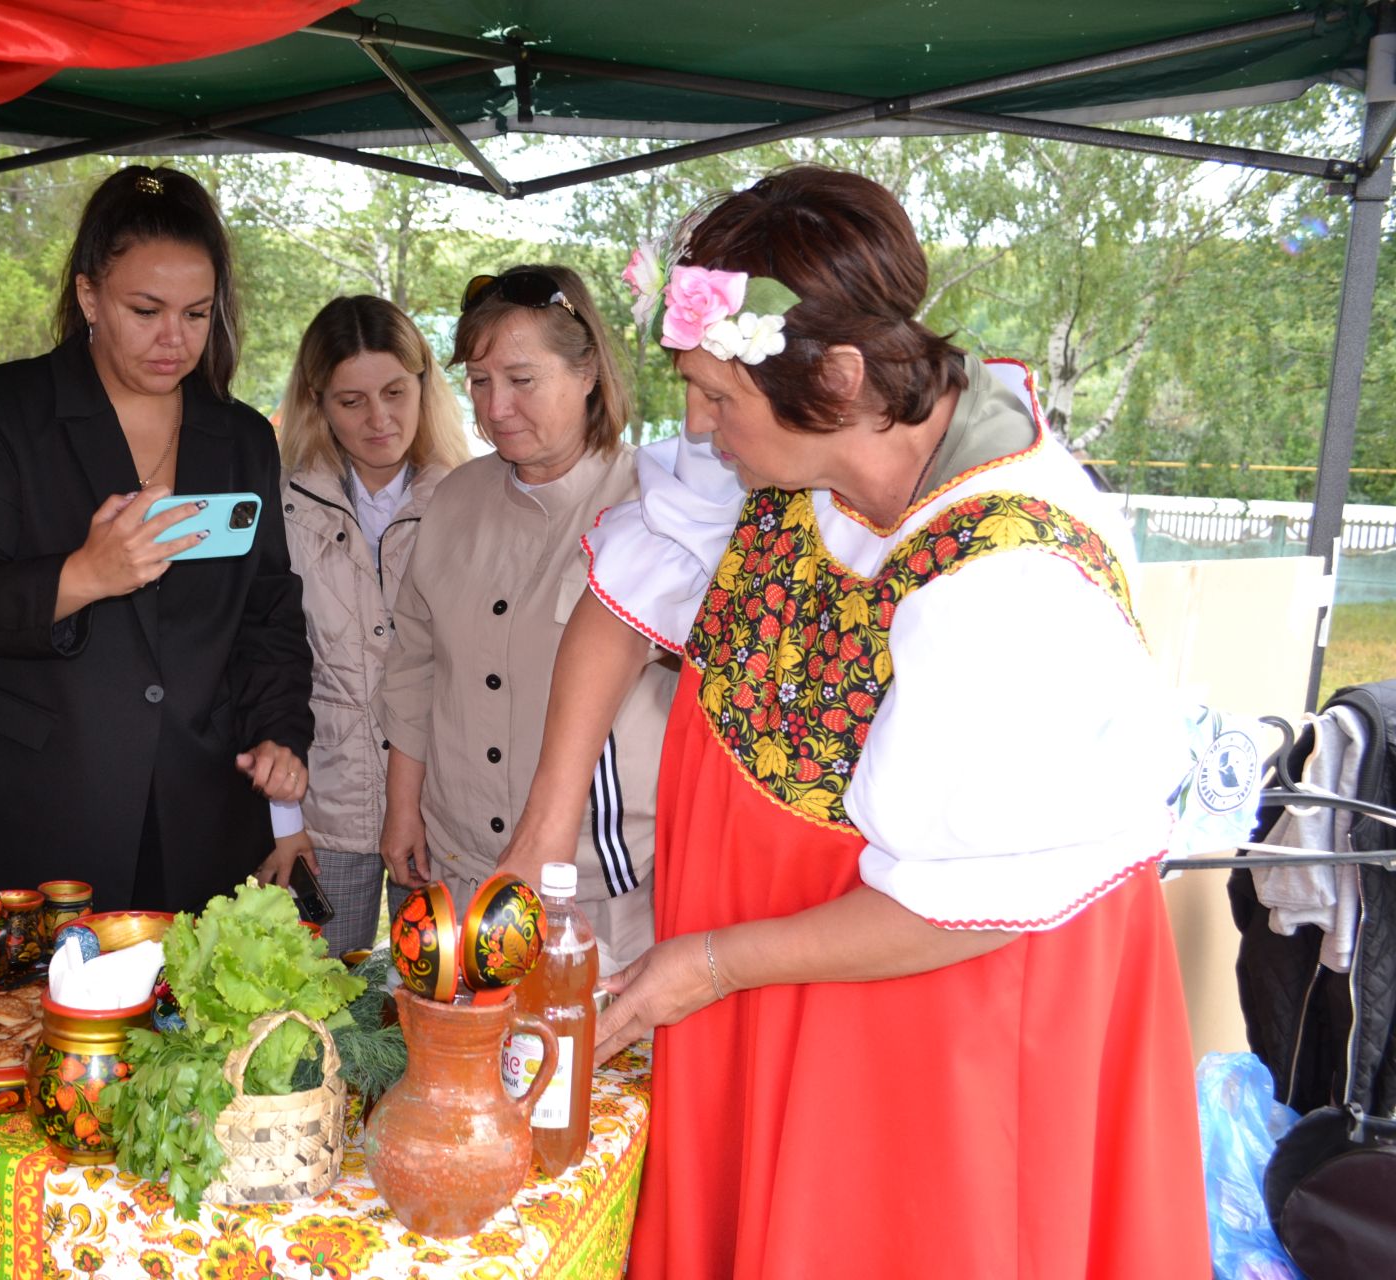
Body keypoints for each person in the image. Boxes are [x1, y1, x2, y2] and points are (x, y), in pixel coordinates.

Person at [523, 167, 1205, 1275]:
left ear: (834, 378)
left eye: (717, 396)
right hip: (755, 983)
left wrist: (716, 963)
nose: (696, 424)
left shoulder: (1014, 581)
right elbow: (639, 582)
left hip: (923, 1039)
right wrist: (545, 828)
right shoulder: (809, 448)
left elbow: (956, 906)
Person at [0, 165, 312, 912]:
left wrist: (281, 733)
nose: (174, 339)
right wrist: (85, 574)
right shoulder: (7, 409)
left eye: (197, 314)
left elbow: (266, 614)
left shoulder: (241, 437)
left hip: (202, 814)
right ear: (90, 295)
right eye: (146, 309)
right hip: (40, 810)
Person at [376, 265, 674, 975]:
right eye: (479, 382)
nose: (496, 406)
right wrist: (403, 805)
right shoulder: (454, 497)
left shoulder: (655, 503)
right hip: (459, 868)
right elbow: (414, 662)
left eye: (521, 379)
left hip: (594, 892)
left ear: (589, 372)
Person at [258, 296, 472, 957]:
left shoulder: (472, 500)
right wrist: (283, 822)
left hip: (444, 813)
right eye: (352, 401)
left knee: (438, 1010)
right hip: (322, 815)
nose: (380, 419)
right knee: (310, 1013)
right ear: (317, 402)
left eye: (394, 392)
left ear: (424, 384)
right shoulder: (280, 506)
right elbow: (266, 666)